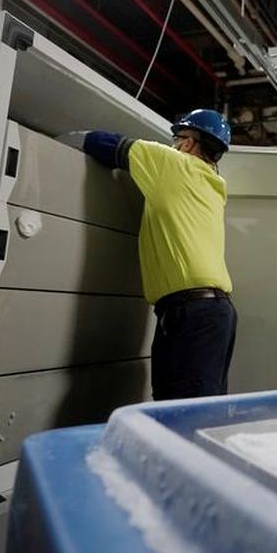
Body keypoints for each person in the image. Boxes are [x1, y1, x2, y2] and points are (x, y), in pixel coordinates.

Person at [61, 110, 237, 399]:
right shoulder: (212, 186)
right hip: (208, 312)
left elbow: (105, 144)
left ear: (189, 143)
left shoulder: (173, 163)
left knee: (183, 408)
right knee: (187, 403)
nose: (173, 144)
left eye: (176, 138)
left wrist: (60, 141)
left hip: (192, 313)